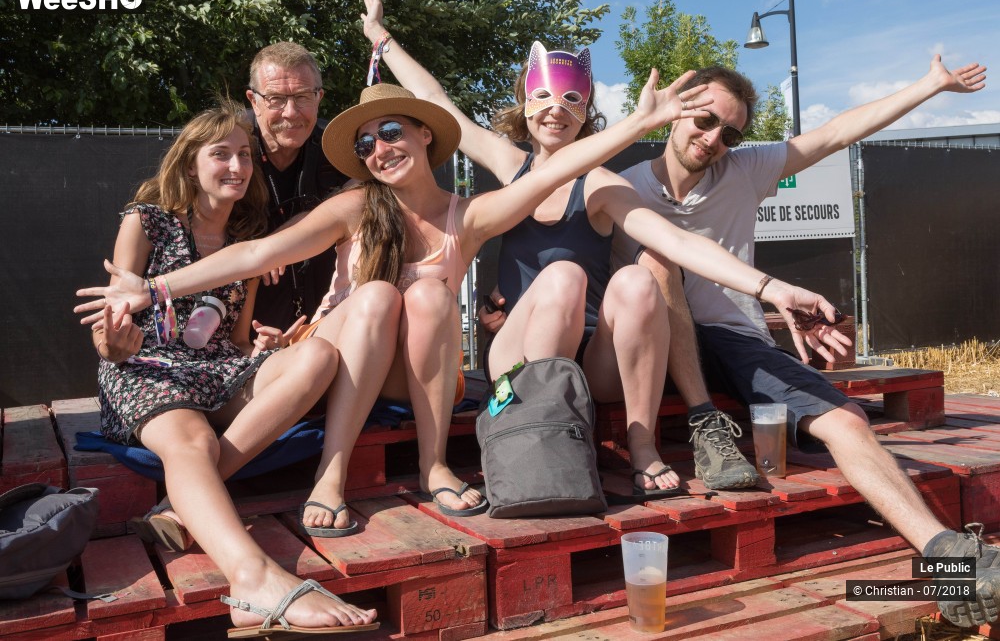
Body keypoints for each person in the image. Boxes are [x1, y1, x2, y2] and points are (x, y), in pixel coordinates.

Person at [77, 73, 713, 533]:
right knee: (381, 292)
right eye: (365, 144)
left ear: (424, 138)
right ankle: (330, 476)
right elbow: (255, 256)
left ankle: (436, 466)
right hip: (350, 368)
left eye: (390, 132)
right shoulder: (354, 207)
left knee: (432, 295)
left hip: (419, 378)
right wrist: (155, 288)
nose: (378, 149)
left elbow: (549, 173)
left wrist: (635, 125)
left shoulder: (469, 216)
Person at [360, 0, 851, 501]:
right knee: (563, 276)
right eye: (543, 96)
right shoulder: (511, 167)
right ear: (525, 106)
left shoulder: (598, 184)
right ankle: (535, 433)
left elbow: (676, 243)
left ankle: (643, 446)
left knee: (641, 277)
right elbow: (434, 97)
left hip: (595, 361)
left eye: (572, 99)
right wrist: (378, 34)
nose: (555, 109)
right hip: (517, 360)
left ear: (587, 111)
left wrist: (771, 288)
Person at [611, 60, 999, 628]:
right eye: (704, 119)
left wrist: (931, 85)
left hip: (731, 335)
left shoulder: (744, 170)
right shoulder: (621, 185)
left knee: (845, 423)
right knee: (656, 259)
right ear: (676, 111)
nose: (714, 138)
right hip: (648, 339)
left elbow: (837, 132)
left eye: (732, 132)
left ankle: (948, 558)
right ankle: (703, 420)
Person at [87, 102, 378, 635]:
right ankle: (253, 579)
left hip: (216, 371)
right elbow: (111, 323)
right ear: (189, 164)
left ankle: (182, 503)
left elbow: (235, 342)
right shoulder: (145, 220)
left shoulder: (247, 248)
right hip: (146, 370)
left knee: (317, 355)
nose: (237, 167)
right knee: (191, 441)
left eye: (245, 155)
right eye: (220, 154)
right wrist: (115, 344)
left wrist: (269, 347)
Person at [246, 42, 351, 333]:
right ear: (254, 101)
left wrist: (280, 242)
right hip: (231, 334)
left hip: (322, 326)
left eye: (303, 97)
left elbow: (366, 196)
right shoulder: (225, 146)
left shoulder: (342, 150)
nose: (291, 113)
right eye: (276, 99)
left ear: (319, 97)